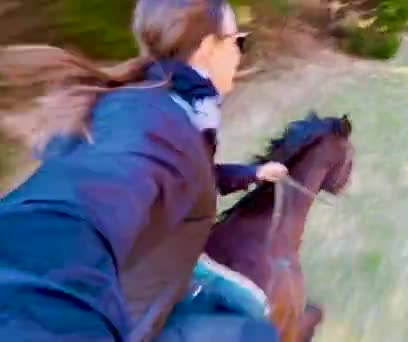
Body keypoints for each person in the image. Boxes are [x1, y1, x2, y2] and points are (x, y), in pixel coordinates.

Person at [0, 0, 285, 340]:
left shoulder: (177, 106)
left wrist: (253, 174)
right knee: (255, 332)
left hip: (161, 281)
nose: (241, 53)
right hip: (127, 312)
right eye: (238, 40)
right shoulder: (148, 115)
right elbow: (78, 208)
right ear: (210, 47)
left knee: (250, 310)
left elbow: (192, 177)